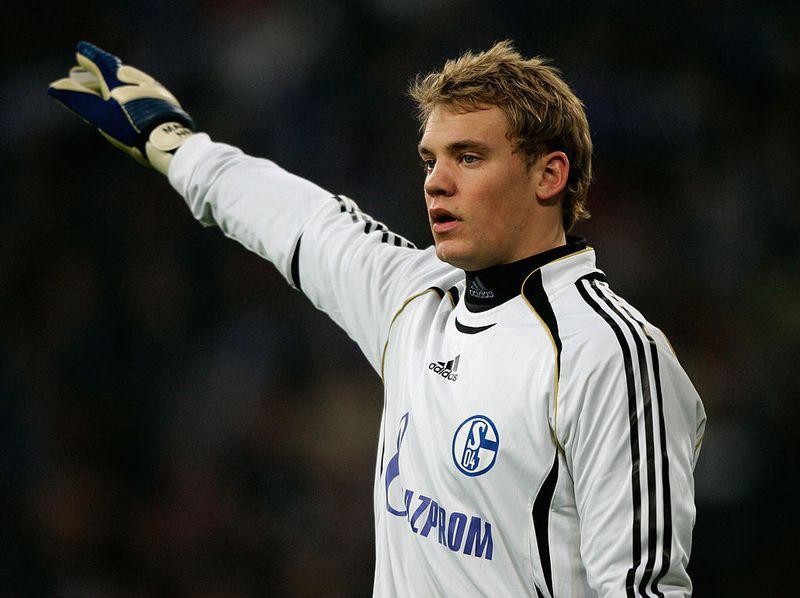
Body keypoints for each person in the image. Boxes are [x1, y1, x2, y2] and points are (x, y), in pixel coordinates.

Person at [49, 40, 706, 597]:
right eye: (430, 160)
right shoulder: (413, 296)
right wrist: (176, 143)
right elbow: (296, 219)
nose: (436, 182)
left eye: (468, 157)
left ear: (549, 174)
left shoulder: (611, 355)